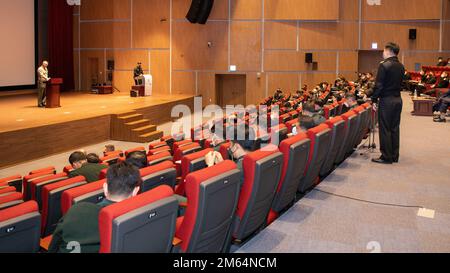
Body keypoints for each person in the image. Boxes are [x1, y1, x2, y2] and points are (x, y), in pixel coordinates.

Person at [48, 162, 142, 253]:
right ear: (135, 191)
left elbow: (54, 245)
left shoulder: (77, 211)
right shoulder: (138, 219)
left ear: (105, 188)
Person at [371, 42, 405, 164]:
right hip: (398, 100)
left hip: (387, 101)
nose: (382, 53)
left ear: (388, 51)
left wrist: (374, 99)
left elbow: (379, 85)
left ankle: (386, 156)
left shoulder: (384, 65)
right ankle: (394, 155)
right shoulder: (401, 66)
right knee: (395, 128)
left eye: (384, 51)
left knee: (385, 128)